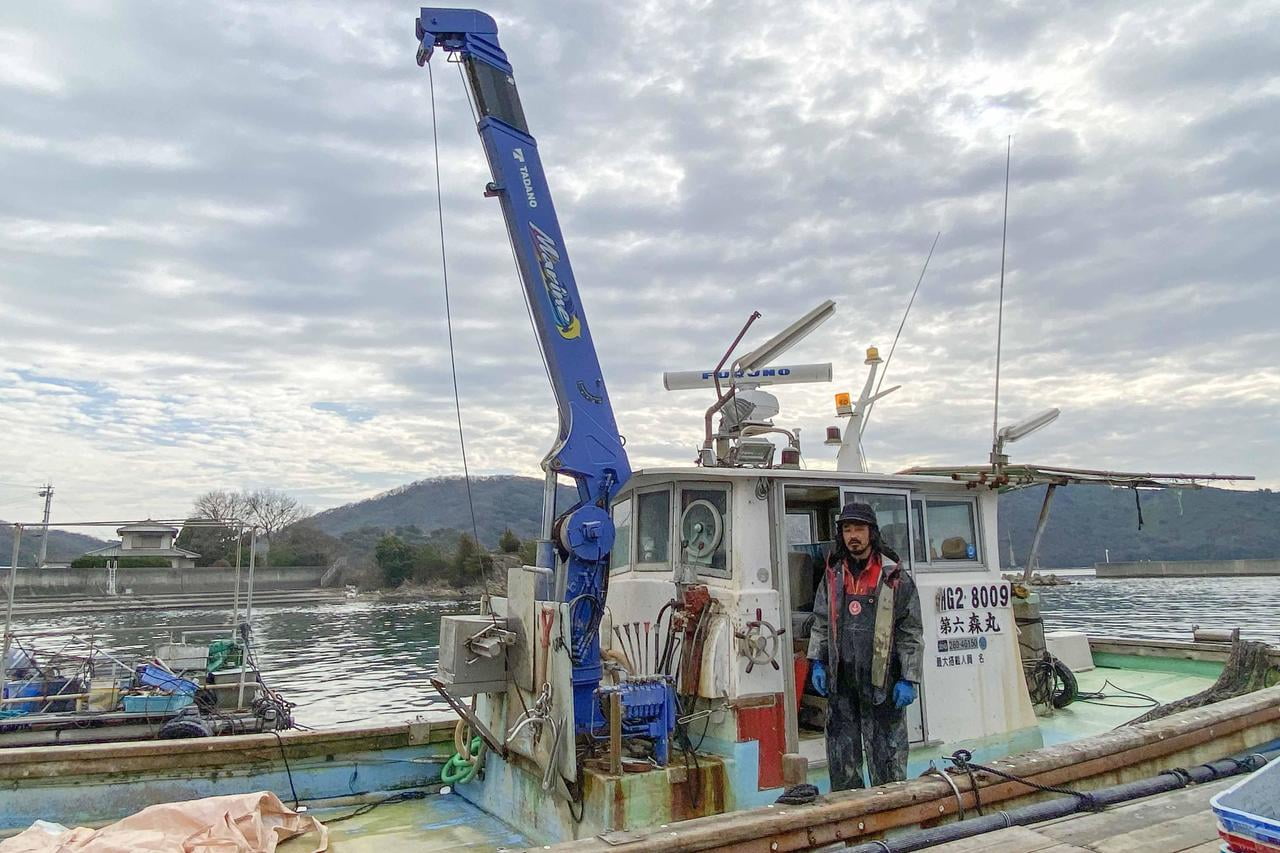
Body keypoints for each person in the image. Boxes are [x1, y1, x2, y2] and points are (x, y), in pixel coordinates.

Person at [807, 502, 923, 790]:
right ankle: (851, 827)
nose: (853, 536)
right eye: (847, 529)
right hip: (842, 683)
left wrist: (909, 678)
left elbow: (910, 631)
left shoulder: (894, 577)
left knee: (888, 763)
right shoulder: (833, 575)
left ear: (872, 532)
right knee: (842, 765)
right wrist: (818, 662)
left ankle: (892, 823)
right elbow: (821, 621)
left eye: (859, 528)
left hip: (884, 684)